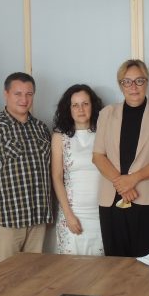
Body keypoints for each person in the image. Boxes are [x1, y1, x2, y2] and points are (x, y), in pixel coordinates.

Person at [93, 59, 149, 258]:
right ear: (120, 85)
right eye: (127, 82)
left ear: (147, 82)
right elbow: (98, 156)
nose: (133, 87)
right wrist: (121, 184)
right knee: (115, 264)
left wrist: (133, 179)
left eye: (139, 81)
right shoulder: (106, 113)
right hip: (112, 200)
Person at [0, 72, 52, 265]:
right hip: (7, 221)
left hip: (38, 219)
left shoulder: (41, 129)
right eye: (18, 94)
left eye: (29, 94)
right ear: (6, 94)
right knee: (4, 277)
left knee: (34, 275)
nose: (24, 99)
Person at [51, 84, 105, 255]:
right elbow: (57, 177)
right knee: (70, 267)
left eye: (85, 104)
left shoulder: (103, 134)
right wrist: (68, 215)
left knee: (100, 267)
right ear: (68, 109)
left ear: (93, 106)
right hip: (73, 213)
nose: (80, 109)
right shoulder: (59, 137)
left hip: (100, 213)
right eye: (75, 105)